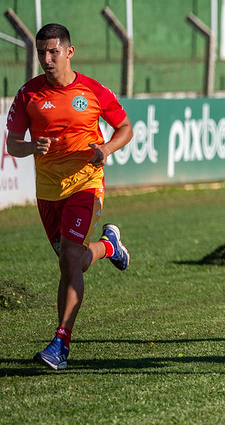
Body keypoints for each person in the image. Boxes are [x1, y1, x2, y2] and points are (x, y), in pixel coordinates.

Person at [6, 23, 134, 370]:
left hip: (85, 183)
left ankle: (60, 344)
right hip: (48, 192)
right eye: (41, 53)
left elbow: (125, 128)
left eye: (53, 52)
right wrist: (32, 145)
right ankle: (109, 246)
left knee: (69, 260)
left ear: (69, 52)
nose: (47, 59)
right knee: (72, 260)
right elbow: (12, 143)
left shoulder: (92, 91)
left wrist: (105, 149)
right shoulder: (27, 95)